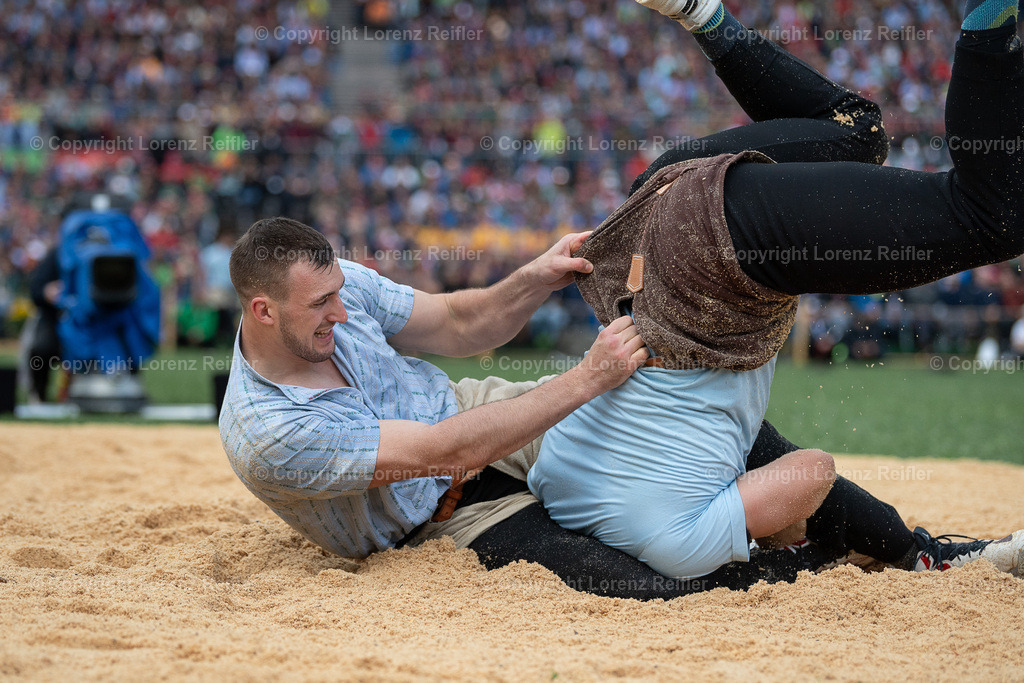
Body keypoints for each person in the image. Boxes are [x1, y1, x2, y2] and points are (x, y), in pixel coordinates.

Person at [526, 0, 1024, 581]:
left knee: (994, 217)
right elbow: (751, 445)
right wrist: (901, 549)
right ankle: (704, 15)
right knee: (857, 130)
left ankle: (990, 24)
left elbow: (809, 474)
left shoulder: (686, 545)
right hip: (648, 219)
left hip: (711, 252)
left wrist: (809, 552)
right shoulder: (559, 481)